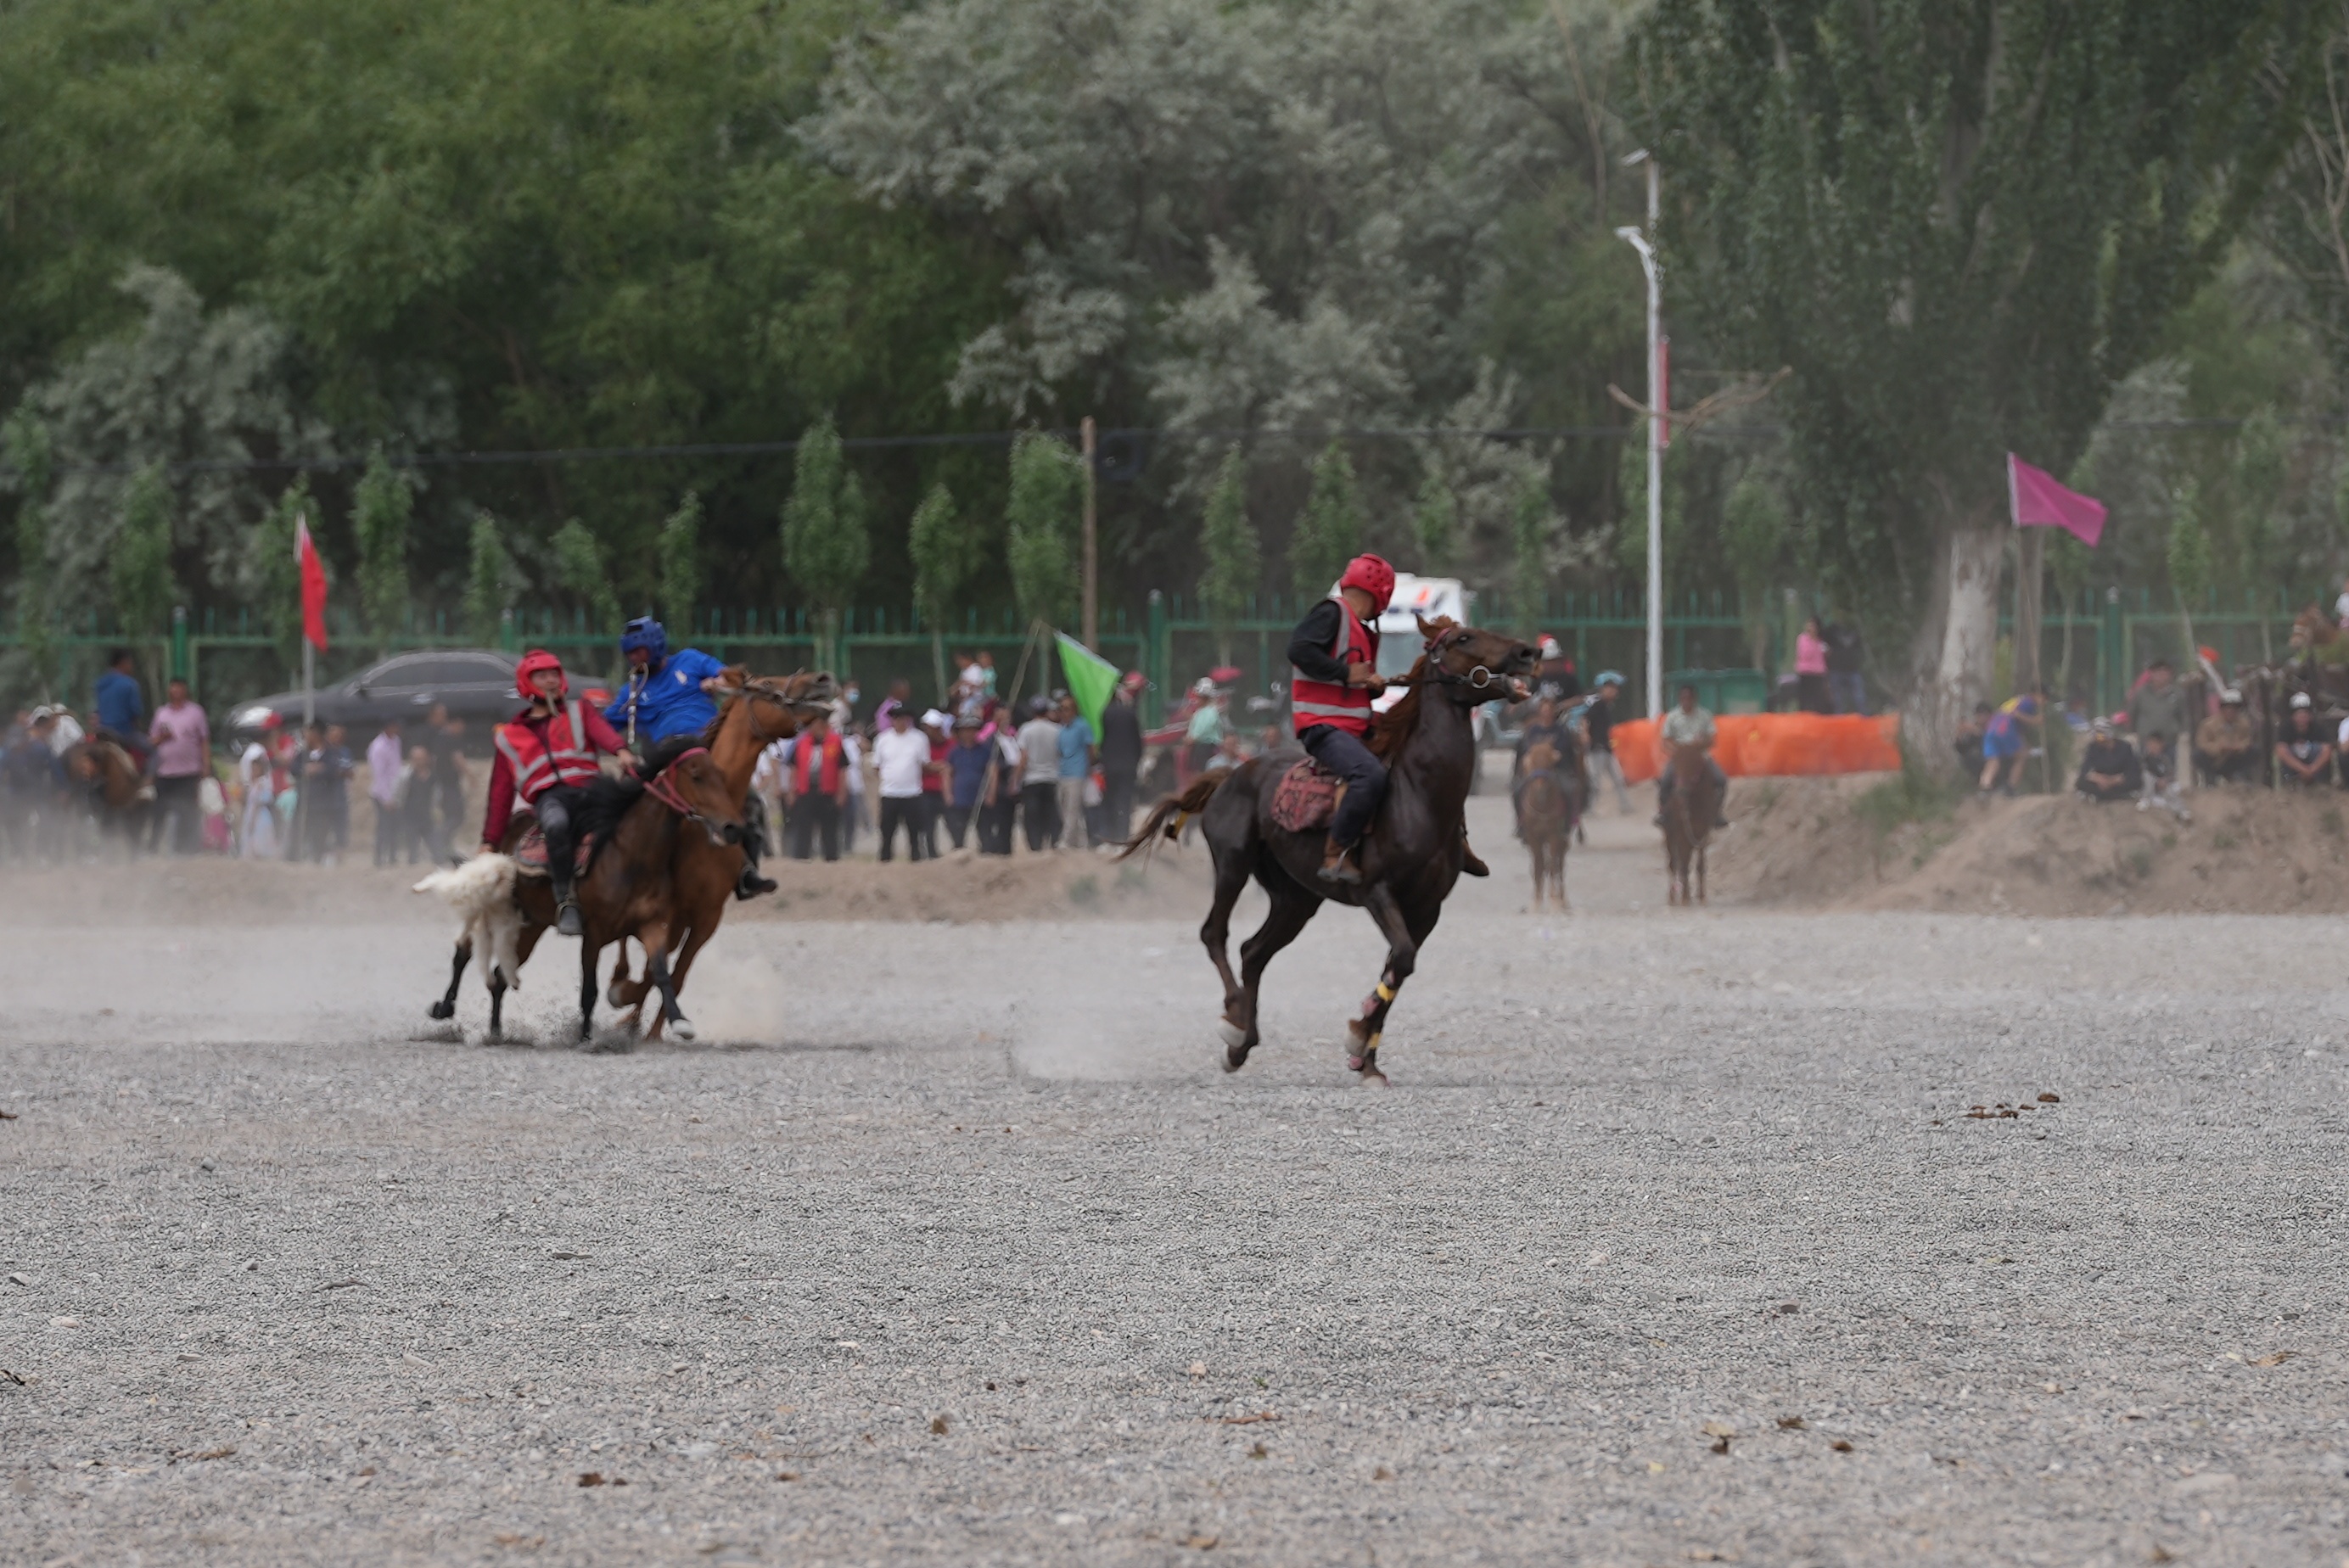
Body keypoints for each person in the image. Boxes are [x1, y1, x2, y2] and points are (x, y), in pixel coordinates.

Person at [604, 616, 771, 899]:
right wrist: (619, 750)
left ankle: (746, 875)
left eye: (640, 652)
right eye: (631, 655)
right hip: (667, 759)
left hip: (710, 752)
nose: (635, 659)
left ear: (656, 646)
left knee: (751, 803)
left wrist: (718, 682)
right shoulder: (632, 691)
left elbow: (733, 677)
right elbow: (605, 725)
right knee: (622, 805)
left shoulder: (691, 660)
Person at [479, 649, 633, 935]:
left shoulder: (580, 710)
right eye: (542, 676)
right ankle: (566, 902)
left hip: (591, 789)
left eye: (554, 674)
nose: (551, 680)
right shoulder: (508, 736)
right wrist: (489, 841)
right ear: (527, 682)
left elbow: (603, 733)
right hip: (551, 798)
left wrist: (621, 750)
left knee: (635, 815)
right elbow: (499, 794)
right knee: (556, 824)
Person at [146, 677, 210, 854]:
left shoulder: (196, 712)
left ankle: (187, 849)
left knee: (188, 811)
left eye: (179, 688)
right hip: (165, 771)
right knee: (160, 811)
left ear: (185, 690)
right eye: (173, 688)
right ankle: (153, 847)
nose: (176, 691)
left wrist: (206, 764)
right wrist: (162, 738)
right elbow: (152, 740)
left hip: (188, 771)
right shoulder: (161, 713)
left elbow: (204, 740)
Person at [1654, 684, 1730, 829]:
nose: (1686, 701)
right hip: (1680, 757)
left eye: (1689, 698)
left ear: (1695, 699)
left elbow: (1712, 739)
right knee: (1665, 781)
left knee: (1721, 780)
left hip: (1700, 756)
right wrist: (1678, 750)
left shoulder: (1704, 715)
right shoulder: (1672, 717)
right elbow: (1665, 740)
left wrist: (1699, 744)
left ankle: (1717, 813)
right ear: (1679, 699)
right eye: (1683, 698)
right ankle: (1663, 813)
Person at [784, 711, 848, 861]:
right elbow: (793, 768)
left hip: (828, 791)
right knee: (804, 826)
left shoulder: (836, 742)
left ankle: (831, 857)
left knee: (829, 827)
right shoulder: (801, 743)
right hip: (806, 791)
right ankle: (801, 856)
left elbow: (842, 770)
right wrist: (791, 792)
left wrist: (842, 793)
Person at [872, 703, 932, 861]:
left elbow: (924, 763)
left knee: (914, 831)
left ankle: (916, 858)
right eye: (896, 717)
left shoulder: (919, 738)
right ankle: (885, 859)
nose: (900, 721)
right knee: (887, 830)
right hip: (889, 792)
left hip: (912, 792)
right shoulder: (882, 740)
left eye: (903, 717)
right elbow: (877, 766)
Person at [1512, 696, 1578, 838]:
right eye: (1544, 710)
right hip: (1536, 771)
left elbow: (1565, 750)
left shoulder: (1561, 730)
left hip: (1556, 769)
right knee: (1517, 790)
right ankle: (1521, 823)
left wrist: (1555, 756)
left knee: (1568, 788)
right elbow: (1526, 749)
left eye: (1549, 710)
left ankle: (1567, 823)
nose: (1546, 713)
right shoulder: (1533, 731)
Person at [295, 721, 353, 865]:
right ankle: (311, 856)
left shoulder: (332, 753)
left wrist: (319, 770)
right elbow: (294, 768)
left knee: (330, 830)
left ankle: (330, 857)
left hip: (328, 801)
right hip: (309, 801)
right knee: (311, 832)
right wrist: (306, 770)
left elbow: (335, 770)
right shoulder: (303, 754)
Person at [1099, 672, 1146, 847]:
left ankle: (1107, 836)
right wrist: (1137, 761)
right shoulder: (1131, 715)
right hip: (1128, 766)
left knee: (1109, 800)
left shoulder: (1106, 713)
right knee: (1124, 803)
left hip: (1110, 765)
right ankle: (1123, 837)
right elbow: (1137, 742)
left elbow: (1105, 739)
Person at [1017, 695, 1063, 850]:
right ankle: (1054, 842)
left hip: (1032, 779)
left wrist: (1016, 779)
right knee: (1051, 813)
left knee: (1032, 816)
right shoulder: (1057, 730)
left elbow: (1024, 757)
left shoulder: (1026, 729)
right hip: (1052, 777)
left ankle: (1035, 846)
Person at [93, 648, 151, 771]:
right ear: (124, 663)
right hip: (123, 733)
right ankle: (147, 782)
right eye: (130, 663)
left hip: (102, 732)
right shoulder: (130, 684)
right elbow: (135, 712)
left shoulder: (100, 683)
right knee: (155, 751)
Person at [1582, 672, 1632, 814]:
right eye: (1610, 689)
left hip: (1607, 747)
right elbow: (1585, 719)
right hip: (1597, 748)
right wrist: (1585, 734)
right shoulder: (1598, 706)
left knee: (1617, 778)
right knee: (1595, 781)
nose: (1613, 692)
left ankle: (1625, 805)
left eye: (1615, 689)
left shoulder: (1608, 707)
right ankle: (1589, 808)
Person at [1977, 694, 2040, 795]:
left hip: (1991, 729)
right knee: (2022, 756)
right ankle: (2011, 787)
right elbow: (2017, 715)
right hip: (2004, 729)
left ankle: (1984, 787)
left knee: (1993, 762)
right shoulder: (2029, 702)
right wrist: (2034, 720)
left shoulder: (2015, 700)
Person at [943, 716, 989, 850]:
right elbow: (947, 774)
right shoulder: (954, 752)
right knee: (957, 832)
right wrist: (948, 794)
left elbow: (992, 772)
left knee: (985, 832)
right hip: (960, 797)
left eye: (972, 730)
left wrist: (990, 793)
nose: (969, 733)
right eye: (965, 730)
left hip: (980, 798)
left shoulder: (985, 751)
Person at [1056, 694, 1096, 850]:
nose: (1064, 712)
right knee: (1063, 808)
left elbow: (1090, 748)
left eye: (1067, 709)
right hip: (1063, 772)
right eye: (1061, 709)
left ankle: (1065, 841)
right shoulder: (1062, 729)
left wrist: (1088, 767)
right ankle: (1080, 841)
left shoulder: (1082, 726)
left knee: (1072, 808)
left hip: (1077, 772)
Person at [2195, 689, 2258, 785]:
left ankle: (2243, 777)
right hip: (2216, 759)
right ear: (2222, 709)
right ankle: (2211, 779)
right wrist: (2218, 747)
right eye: (2228, 708)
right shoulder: (2208, 724)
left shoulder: (2244, 724)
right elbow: (2202, 743)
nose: (2231, 711)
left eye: (2234, 708)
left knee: (2255, 751)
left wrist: (2238, 747)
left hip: (2235, 757)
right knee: (2198, 755)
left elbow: (2247, 740)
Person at [2127, 660, 2189, 753]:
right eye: (2157, 673)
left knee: (2168, 767)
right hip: (2145, 741)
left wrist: (2184, 732)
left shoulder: (2178, 694)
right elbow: (2132, 713)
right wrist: (2133, 732)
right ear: (2151, 674)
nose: (2161, 676)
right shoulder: (2141, 693)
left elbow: (2184, 714)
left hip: (2169, 742)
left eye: (2165, 673)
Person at [367, 719, 406, 865]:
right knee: (383, 827)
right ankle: (378, 858)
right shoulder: (378, 747)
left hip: (396, 790)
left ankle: (392, 856)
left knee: (395, 827)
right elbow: (379, 774)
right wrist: (387, 798)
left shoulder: (396, 741)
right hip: (382, 793)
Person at [2073, 719, 2141, 802]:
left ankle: (2106, 796)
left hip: (2119, 779)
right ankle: (2115, 796)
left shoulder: (2125, 747)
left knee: (2135, 781)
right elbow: (2085, 769)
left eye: (2100, 736)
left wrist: (2115, 780)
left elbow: (2133, 769)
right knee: (2081, 782)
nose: (2098, 739)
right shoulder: (2093, 747)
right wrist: (2097, 778)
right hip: (2100, 780)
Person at [2277, 693, 2334, 787]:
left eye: (2305, 713)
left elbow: (2327, 750)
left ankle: (2322, 784)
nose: (2302, 717)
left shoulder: (2318, 727)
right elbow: (2281, 750)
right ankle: (2289, 784)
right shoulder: (2285, 728)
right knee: (2288, 752)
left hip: (2315, 766)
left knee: (2317, 749)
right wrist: (2302, 769)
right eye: (2299, 713)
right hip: (2295, 765)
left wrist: (2312, 769)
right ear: (2292, 715)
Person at [2138, 731, 2190, 820]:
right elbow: (2142, 771)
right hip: (2148, 785)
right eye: (2151, 744)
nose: (2153, 747)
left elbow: (2170, 773)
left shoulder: (2165, 759)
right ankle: (2145, 799)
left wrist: (2165, 780)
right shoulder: (2144, 758)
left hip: (2163, 785)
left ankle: (2182, 811)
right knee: (2147, 776)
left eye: (2156, 744)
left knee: (2170, 792)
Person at [398, 745, 438, 864]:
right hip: (410, 812)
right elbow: (399, 792)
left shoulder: (432, 776)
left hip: (427, 813)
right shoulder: (405, 775)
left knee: (433, 840)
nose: (419, 761)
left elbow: (437, 794)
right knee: (412, 841)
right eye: (416, 758)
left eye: (422, 758)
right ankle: (413, 861)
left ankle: (437, 858)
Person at [1824, 618, 1868, 714]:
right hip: (1836, 669)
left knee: (1859, 695)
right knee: (1837, 698)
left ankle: (1864, 717)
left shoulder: (1855, 629)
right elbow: (1823, 643)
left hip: (1853, 669)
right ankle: (1839, 719)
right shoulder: (1831, 630)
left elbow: (1861, 647)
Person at [1183, 679, 1226, 778]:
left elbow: (1205, 727)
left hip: (1207, 746)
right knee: (1196, 771)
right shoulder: (1199, 712)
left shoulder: (1212, 712)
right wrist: (1189, 737)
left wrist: (1193, 737)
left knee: (1205, 771)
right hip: (1198, 746)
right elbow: (1194, 726)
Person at [1794, 617, 1831, 714]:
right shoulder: (1803, 639)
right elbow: (1804, 654)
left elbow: (1826, 655)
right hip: (1806, 672)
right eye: (1809, 625)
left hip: (1818, 672)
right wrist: (1813, 642)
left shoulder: (1821, 640)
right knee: (1805, 698)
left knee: (1818, 700)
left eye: (1813, 625)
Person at [1954, 702, 1994, 780]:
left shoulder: (1994, 725)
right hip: (1981, 758)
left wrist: (1978, 732)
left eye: (1983, 715)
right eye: (1979, 715)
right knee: (1968, 758)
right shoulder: (1974, 730)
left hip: (1996, 757)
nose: (1981, 718)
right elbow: (1962, 749)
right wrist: (1959, 735)